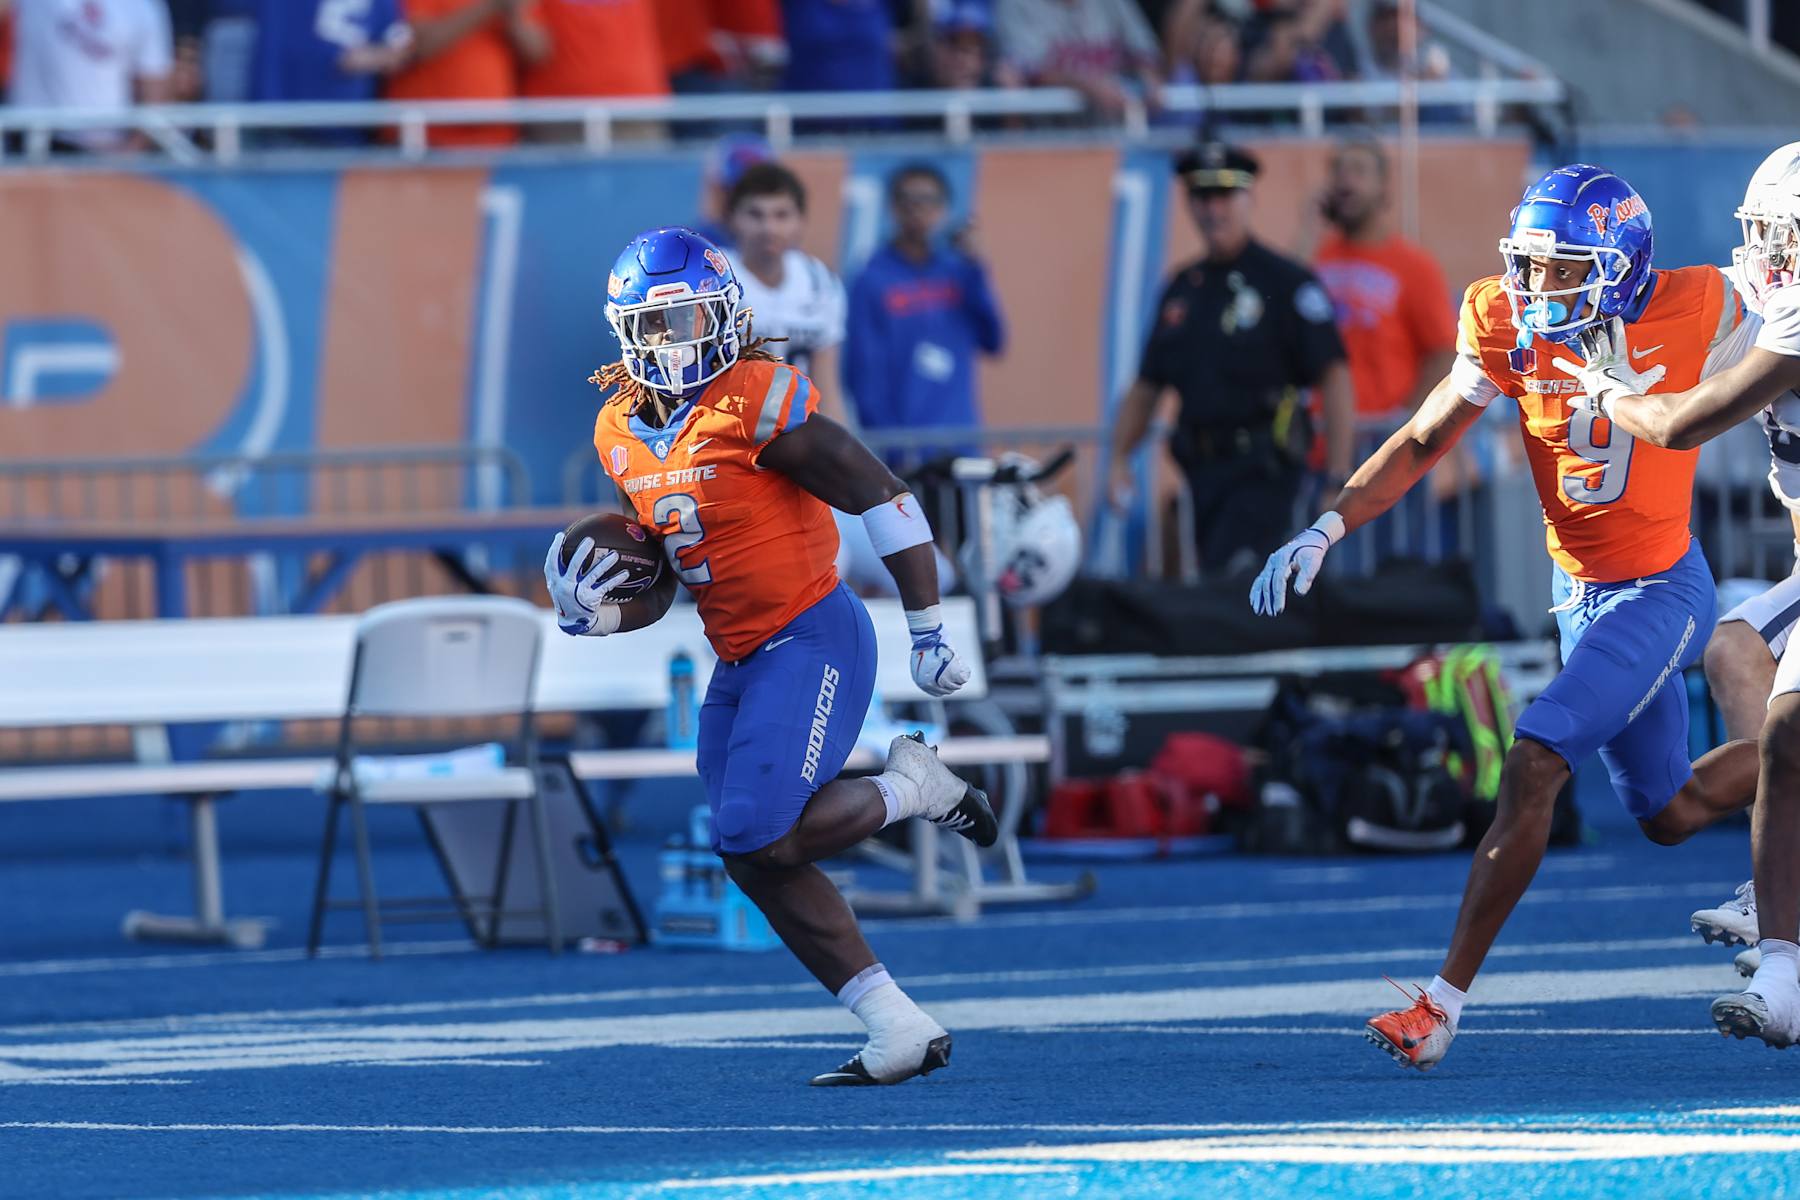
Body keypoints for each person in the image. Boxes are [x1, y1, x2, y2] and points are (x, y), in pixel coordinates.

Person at [1251, 163, 1763, 1071]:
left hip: (1661, 588)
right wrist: (1330, 524)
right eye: (1528, 264)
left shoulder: (1701, 302)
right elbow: (1421, 436)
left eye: (1563, 268)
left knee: (1533, 763)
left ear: (1620, 264)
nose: (1537, 286)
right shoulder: (1501, 319)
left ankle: (1441, 1005)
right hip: (1580, 597)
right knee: (1671, 812)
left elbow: (1784, 322)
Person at [546, 226, 996, 1086]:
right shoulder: (617, 429)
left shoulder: (754, 395)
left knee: (760, 826)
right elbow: (666, 582)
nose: (667, 344)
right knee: (747, 849)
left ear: (722, 316)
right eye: (650, 327)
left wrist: (929, 626)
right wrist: (599, 617)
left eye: (682, 322)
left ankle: (912, 785)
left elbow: (883, 495)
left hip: (814, 633)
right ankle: (895, 1024)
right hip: (741, 656)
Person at [1555, 143, 1800, 1048]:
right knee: (1738, 652)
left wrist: (1609, 388)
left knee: (1785, 725)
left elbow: (1679, 420)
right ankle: (1782, 905)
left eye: (1782, 234)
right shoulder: (1771, 311)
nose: (1767, 250)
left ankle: (1785, 955)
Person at [1109, 141, 1354, 576]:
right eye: (1201, 197)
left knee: (1242, 584)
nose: (1213, 210)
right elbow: (1148, 385)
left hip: (1265, 473)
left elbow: (1333, 375)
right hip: (1201, 474)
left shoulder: (1285, 281)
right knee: (1211, 594)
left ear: (1247, 199)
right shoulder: (1183, 288)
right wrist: (1118, 459)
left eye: (1224, 196)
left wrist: (1337, 476)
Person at [844, 162, 1005, 457]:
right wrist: (889, 442)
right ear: (892, 208)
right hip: (903, 449)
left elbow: (994, 341)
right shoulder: (871, 279)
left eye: (930, 200)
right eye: (908, 200)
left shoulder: (960, 271)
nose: (918, 210)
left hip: (962, 442)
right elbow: (862, 370)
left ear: (944, 209)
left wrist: (976, 269)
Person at [1310, 136, 1457, 421]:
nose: (1345, 181)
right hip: (1322, 440)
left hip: (1382, 438)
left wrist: (1405, 423)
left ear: (1382, 187)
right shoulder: (1315, 259)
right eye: (1338, 170)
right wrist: (1307, 229)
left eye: (1358, 170)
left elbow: (1443, 353)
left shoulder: (1415, 266)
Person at [725, 161, 849, 407]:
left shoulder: (819, 281)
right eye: (755, 214)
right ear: (732, 219)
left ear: (801, 221)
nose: (769, 228)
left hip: (798, 428)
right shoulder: (712, 277)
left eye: (781, 215)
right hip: (728, 425)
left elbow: (827, 384)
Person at [7, 0, 175, 153]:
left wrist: (133, 148)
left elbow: (155, 86)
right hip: (29, 140)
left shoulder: (143, 7)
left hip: (103, 147)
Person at [384, 0, 549, 148]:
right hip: (427, 136)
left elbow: (537, 54)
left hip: (494, 137)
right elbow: (418, 46)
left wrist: (514, 18)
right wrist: (490, 6)